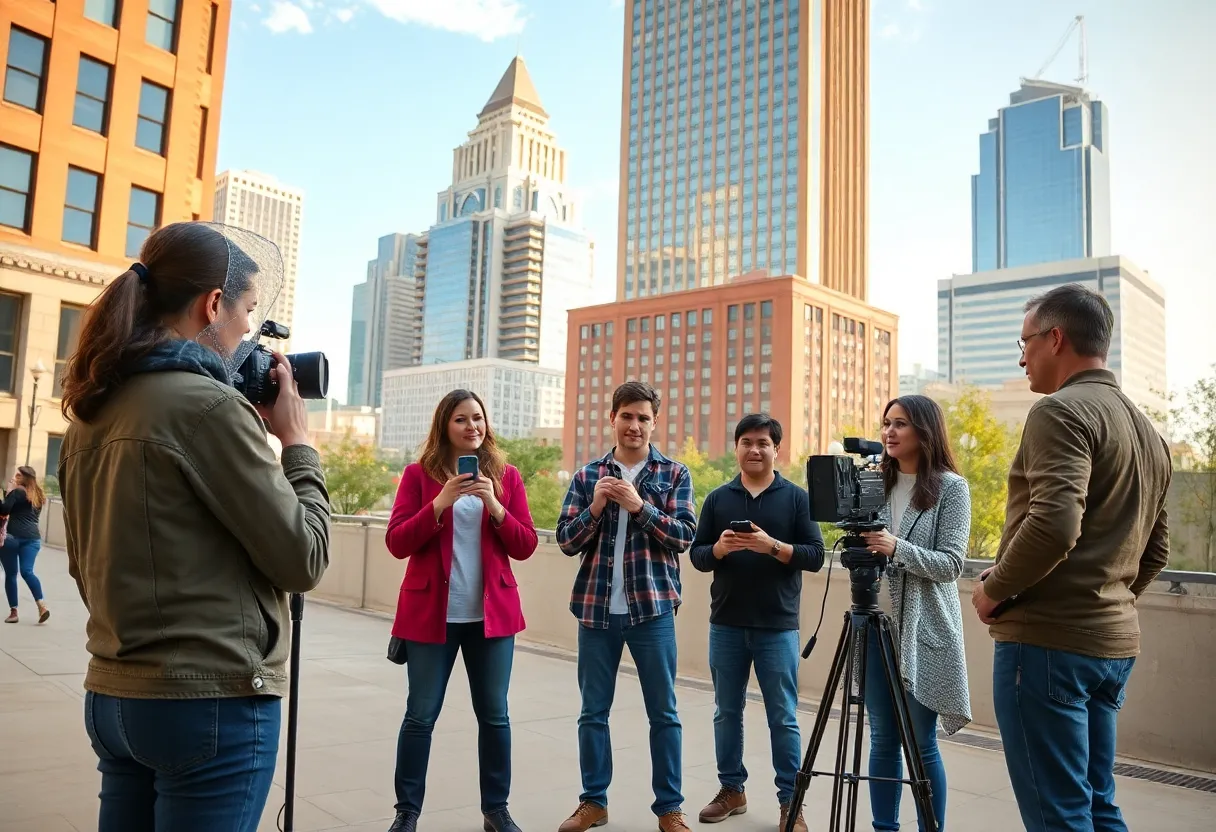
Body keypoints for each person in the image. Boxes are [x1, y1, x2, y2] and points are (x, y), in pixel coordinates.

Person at [56, 222, 331, 832]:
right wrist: (297, 444)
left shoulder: (92, 411)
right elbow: (303, 559)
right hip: (209, 703)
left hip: (113, 697)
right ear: (212, 304)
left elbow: (83, 564)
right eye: (249, 312)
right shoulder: (207, 406)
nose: (249, 335)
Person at [973, 284, 1171, 832]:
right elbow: (1156, 550)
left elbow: (1056, 525)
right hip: (1112, 644)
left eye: (1025, 341)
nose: (1021, 356)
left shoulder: (1059, 412)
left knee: (1058, 816)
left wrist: (996, 590)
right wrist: (1105, 600)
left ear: (1055, 338)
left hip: (1048, 646)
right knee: (1096, 805)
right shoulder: (1147, 431)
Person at [384, 389, 538, 832]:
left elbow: (525, 545)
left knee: (495, 716)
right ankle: (406, 813)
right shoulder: (418, 475)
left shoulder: (506, 476)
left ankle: (496, 810)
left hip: (492, 620)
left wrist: (494, 505)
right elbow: (396, 543)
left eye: (478, 418)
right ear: (444, 427)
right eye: (461, 419)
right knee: (420, 716)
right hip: (431, 616)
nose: (472, 426)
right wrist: (439, 502)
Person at [555, 381, 697, 832]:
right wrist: (596, 506)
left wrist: (640, 508)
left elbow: (683, 537)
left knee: (664, 713)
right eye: (627, 416)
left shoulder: (674, 475)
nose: (634, 425)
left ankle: (670, 808)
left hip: (652, 611)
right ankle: (593, 801)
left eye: (643, 418)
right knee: (593, 713)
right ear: (612, 418)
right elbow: (565, 540)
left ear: (654, 423)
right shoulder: (585, 477)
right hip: (596, 611)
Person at [688, 413, 824, 832]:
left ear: (775, 449)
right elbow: (697, 556)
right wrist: (720, 551)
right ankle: (732, 789)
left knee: (782, 716)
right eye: (746, 441)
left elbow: (815, 556)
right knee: (726, 712)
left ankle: (791, 802)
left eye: (763, 442)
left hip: (778, 627)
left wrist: (773, 547)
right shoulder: (717, 498)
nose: (754, 449)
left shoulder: (797, 498)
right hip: (726, 623)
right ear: (736, 447)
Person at [858, 395, 973, 832]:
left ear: (924, 432)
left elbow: (951, 564)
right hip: (872, 628)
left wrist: (895, 547)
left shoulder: (950, 488)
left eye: (900, 424)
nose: (888, 431)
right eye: (886, 422)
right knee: (882, 739)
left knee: (921, 745)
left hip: (924, 631)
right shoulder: (873, 483)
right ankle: (883, 828)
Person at [1, 466, 49, 624]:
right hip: (33, 539)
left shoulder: (17, 492)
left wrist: (9, 491)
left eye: (18, 474)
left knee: (11, 574)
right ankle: (41, 605)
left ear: (26, 478)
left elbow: (5, 509)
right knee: (28, 571)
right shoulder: (39, 494)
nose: (15, 476)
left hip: (12, 538)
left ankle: (14, 612)